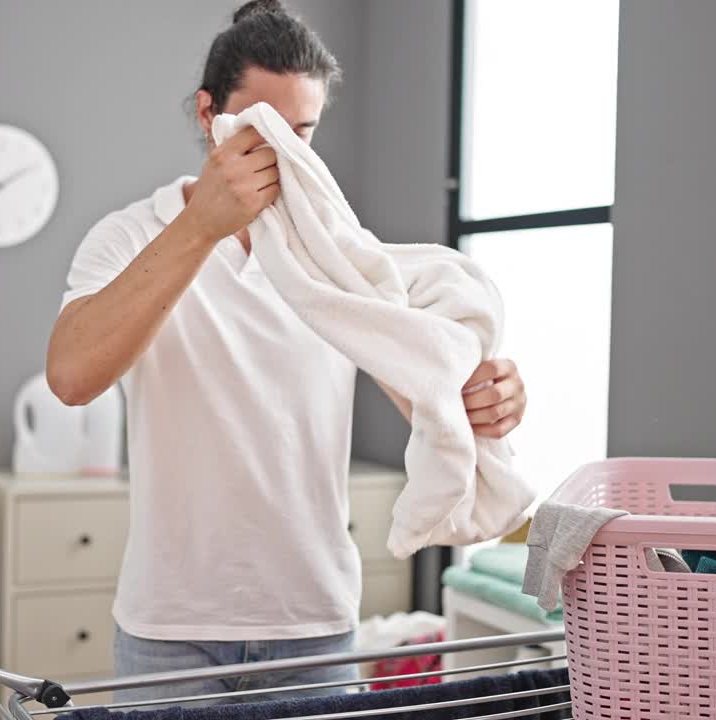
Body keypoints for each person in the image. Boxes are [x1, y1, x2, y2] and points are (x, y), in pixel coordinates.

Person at [45, 0, 527, 704]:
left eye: (302, 132)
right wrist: (201, 228)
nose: (284, 155)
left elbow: (427, 385)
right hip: (170, 630)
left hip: (315, 627)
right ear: (210, 115)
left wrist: (488, 396)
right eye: (261, 130)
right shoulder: (128, 236)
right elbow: (70, 376)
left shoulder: (330, 250)